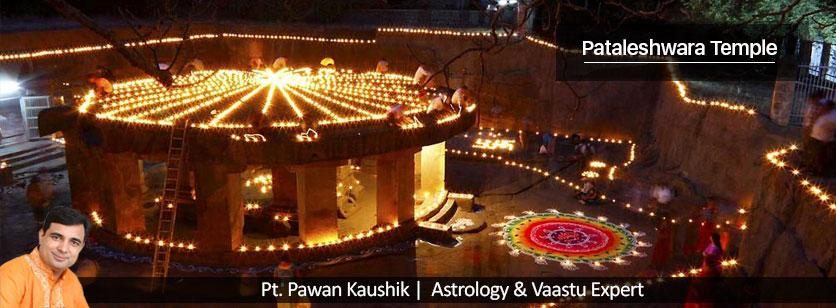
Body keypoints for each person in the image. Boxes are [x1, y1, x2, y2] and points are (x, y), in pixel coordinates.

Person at [0, 206, 91, 307]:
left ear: (81, 247)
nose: (63, 249)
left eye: (74, 242)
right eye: (56, 238)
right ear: (41, 236)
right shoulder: (11, 274)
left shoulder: (72, 281)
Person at [806, 100, 836, 175]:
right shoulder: (822, 112)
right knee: (814, 154)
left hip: (824, 140)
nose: (823, 108)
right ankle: (813, 167)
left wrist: (828, 137)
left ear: (830, 107)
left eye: (826, 107)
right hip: (815, 137)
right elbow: (814, 120)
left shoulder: (834, 115)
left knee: (820, 156)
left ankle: (819, 171)